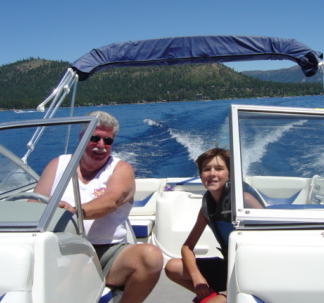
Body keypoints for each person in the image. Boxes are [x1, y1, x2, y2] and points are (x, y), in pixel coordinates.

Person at [33, 111, 163, 303]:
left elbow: (111, 201)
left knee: (150, 257)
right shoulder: (58, 165)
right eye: (94, 138)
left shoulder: (121, 169)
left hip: (107, 252)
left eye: (107, 141)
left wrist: (74, 212)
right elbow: (34, 203)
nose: (101, 146)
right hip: (59, 249)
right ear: (81, 137)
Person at [164, 147, 263, 303]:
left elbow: (270, 242)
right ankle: (213, 295)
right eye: (206, 169)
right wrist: (198, 279)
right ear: (200, 175)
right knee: (172, 267)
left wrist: (232, 290)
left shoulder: (245, 200)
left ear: (229, 174)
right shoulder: (208, 207)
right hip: (230, 267)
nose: (212, 174)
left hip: (254, 273)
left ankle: (224, 296)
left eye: (219, 169)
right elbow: (187, 247)